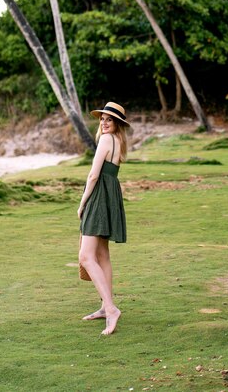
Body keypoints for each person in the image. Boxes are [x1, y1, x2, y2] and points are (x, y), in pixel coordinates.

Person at [78, 101, 130, 336]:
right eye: (102, 119)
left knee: (86, 257)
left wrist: (82, 203)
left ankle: (111, 308)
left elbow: (93, 175)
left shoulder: (106, 140)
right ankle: (104, 306)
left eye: (110, 119)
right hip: (111, 196)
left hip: (99, 197)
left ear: (117, 123)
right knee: (102, 255)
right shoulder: (119, 141)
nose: (105, 122)